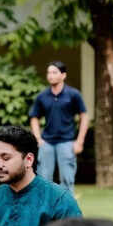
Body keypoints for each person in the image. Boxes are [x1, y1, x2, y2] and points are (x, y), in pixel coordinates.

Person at [29, 61, 89, 195]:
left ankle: (68, 212)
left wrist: (79, 141)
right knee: (43, 181)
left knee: (67, 181)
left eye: (54, 72)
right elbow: (34, 118)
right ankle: (44, 211)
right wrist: (38, 139)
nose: (50, 75)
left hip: (67, 142)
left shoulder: (73, 95)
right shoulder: (42, 96)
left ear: (63, 75)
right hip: (47, 143)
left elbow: (84, 117)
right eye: (48, 72)